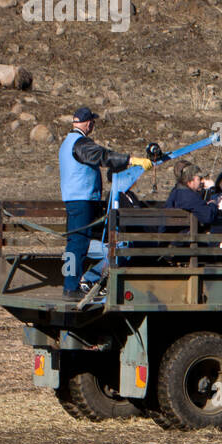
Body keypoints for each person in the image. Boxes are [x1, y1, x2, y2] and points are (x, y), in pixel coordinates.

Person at [59, 106, 150, 299]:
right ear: (88, 123)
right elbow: (102, 155)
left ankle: (72, 284)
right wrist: (130, 160)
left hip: (75, 198)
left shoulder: (68, 142)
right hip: (81, 199)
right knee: (77, 243)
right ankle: (70, 287)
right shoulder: (80, 144)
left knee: (76, 243)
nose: (92, 125)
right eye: (92, 121)